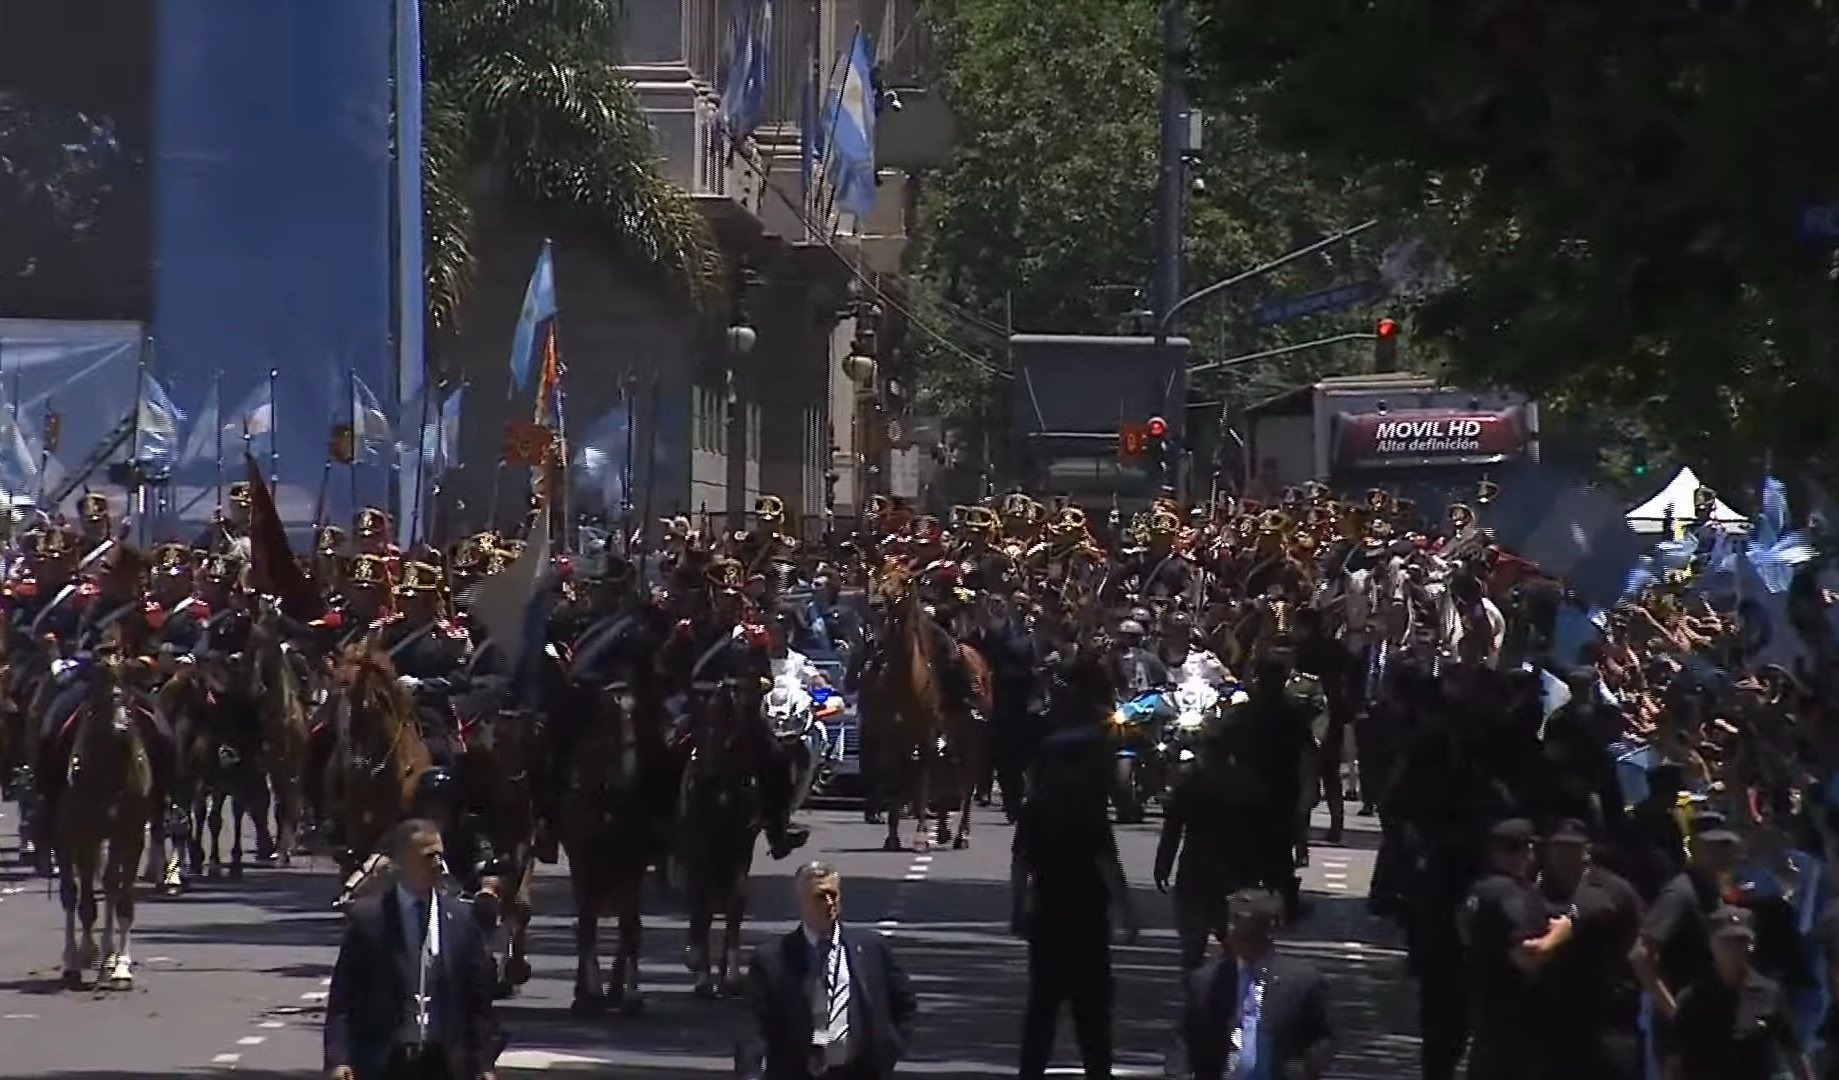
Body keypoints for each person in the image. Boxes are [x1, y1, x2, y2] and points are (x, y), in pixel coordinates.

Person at [324, 819, 501, 1080]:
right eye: (428, 856)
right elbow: (343, 997)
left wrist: (484, 1063)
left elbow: (478, 1001)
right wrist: (338, 1060)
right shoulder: (369, 919)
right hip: (385, 1062)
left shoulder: (461, 919)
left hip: (444, 1062)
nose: (438, 864)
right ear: (402, 861)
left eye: (441, 855)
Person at [1011, 719, 1137, 1079]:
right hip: (1087, 916)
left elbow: (1021, 864)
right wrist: (1127, 912)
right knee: (1092, 1009)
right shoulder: (1088, 807)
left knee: (1043, 1006)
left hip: (1048, 915)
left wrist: (1017, 907)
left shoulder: (1035, 807)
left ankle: (1031, 1071)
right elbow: (1108, 865)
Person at [739, 861, 917, 1080]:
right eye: (820, 896)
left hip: (858, 1071)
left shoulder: (871, 948)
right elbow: (752, 1026)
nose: (830, 903)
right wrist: (751, 1073)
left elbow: (904, 1002)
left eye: (834, 895)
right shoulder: (773, 959)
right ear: (801, 902)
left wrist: (889, 1048)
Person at [1182, 888, 1335, 1079]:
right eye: (1231, 919)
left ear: (1267, 925)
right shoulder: (1206, 981)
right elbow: (1186, 1038)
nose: (1232, 928)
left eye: (1241, 919)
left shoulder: (1302, 981)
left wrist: (1304, 1068)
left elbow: (1322, 1038)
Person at [1663, 906, 1813, 1080]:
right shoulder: (1691, 1000)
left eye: (1742, 941)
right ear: (1712, 945)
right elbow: (1673, 1064)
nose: (1735, 949)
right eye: (1727, 941)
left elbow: (1795, 1053)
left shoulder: (1769, 994)